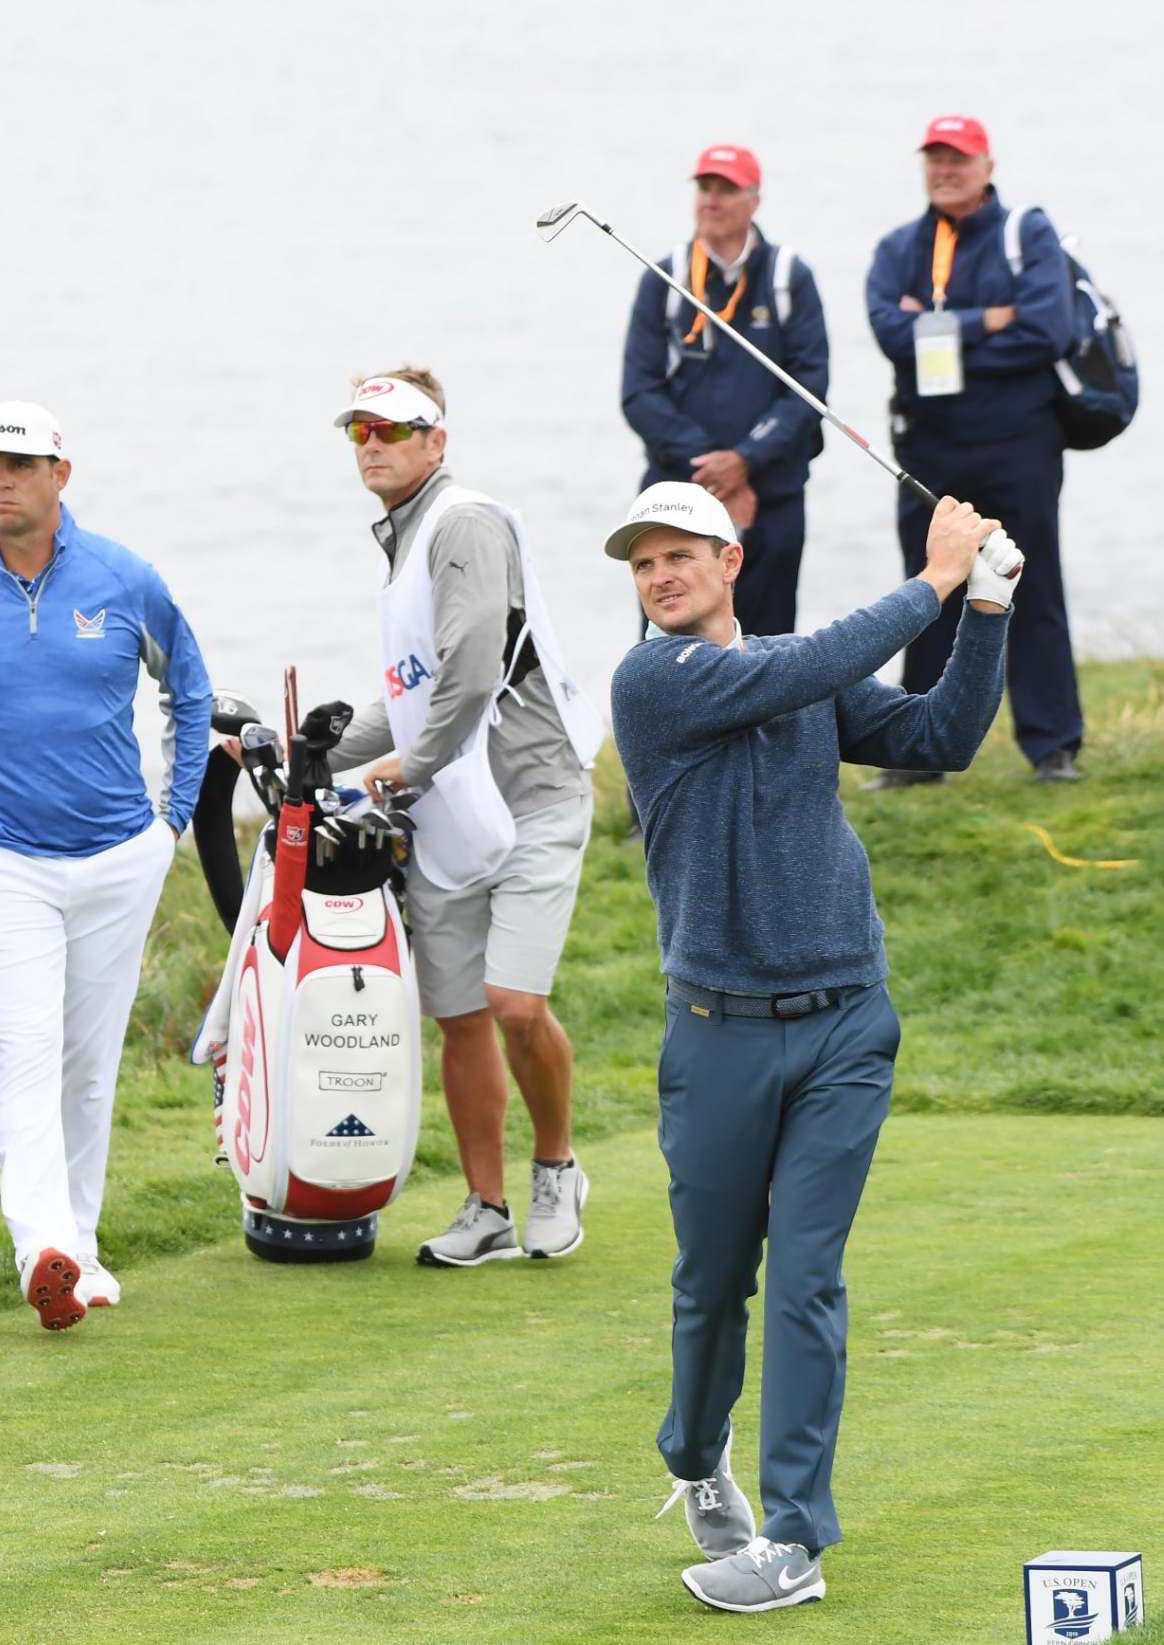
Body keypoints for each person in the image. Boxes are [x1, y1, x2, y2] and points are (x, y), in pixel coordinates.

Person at [604, 479, 1015, 1613]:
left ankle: (792, 1538)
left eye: (678, 555)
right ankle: (695, 1454)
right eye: (642, 564)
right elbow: (807, 667)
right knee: (709, 1282)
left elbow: (939, 737)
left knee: (804, 1279)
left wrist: (984, 609)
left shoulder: (800, 671)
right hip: (715, 1031)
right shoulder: (653, 681)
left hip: (844, 1022)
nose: (659, 577)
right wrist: (932, 579)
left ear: (729, 561)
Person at [0, 400, 211, 1331]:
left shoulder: (125, 579)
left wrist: (173, 820)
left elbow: (189, 691)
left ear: (59, 475)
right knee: (24, 1050)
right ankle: (43, 1248)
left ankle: (84, 1248)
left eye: (18, 465)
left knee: (88, 1065)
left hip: (118, 856)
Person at [325, 368, 604, 1269]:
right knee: (460, 1016)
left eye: (392, 429)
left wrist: (407, 766)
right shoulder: (405, 539)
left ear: (436, 440)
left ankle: (555, 1167)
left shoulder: (463, 522)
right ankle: (487, 1207)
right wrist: (309, 754)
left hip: (531, 795)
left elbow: (475, 667)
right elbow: (416, 693)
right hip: (453, 809)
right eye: (360, 430)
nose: (373, 444)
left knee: (515, 1003)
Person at [866, 114, 1082, 785]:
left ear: (987, 167)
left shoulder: (1027, 234)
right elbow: (890, 333)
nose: (945, 170)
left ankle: (1053, 747)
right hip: (930, 448)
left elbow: (1047, 330)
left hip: (1020, 444)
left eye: (958, 158)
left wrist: (938, 335)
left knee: (1033, 583)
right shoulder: (900, 246)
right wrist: (990, 319)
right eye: (935, 158)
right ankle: (916, 753)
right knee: (928, 588)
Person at [621, 143, 828, 636]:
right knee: (674, 649)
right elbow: (639, 393)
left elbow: (809, 388)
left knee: (771, 649)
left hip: (770, 496)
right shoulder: (664, 277)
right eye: (705, 188)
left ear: (754, 199)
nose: (711, 200)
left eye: (726, 190)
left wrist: (746, 460)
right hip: (680, 501)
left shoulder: (788, 276)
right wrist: (715, 472)